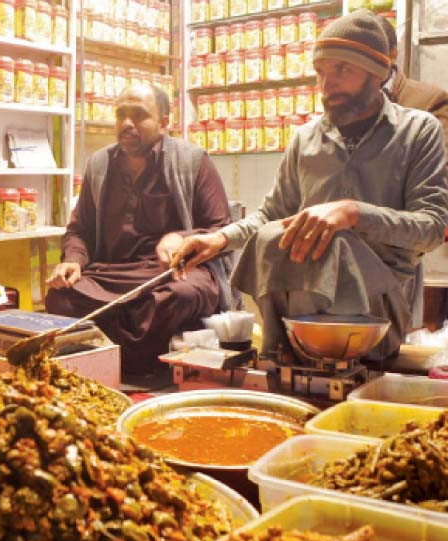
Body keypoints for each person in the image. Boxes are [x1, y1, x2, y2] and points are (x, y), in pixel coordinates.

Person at [169, 9, 448, 362]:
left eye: (342, 70)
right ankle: (283, 355)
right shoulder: (306, 138)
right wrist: (218, 240)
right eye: (321, 72)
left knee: (335, 243)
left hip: (379, 307)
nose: (327, 83)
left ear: (376, 73)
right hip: (301, 312)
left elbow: (432, 228)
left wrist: (352, 213)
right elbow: (271, 214)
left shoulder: (418, 131)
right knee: (272, 235)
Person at [45, 83, 236, 374]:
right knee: (61, 296)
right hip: (113, 274)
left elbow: (220, 228)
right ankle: (124, 360)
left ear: (163, 122)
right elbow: (78, 229)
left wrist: (181, 237)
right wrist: (72, 260)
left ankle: (127, 364)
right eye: (121, 115)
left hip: (173, 272)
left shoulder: (192, 160)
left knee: (181, 296)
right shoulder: (99, 165)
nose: (126, 124)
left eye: (138, 116)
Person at [377, 15, 448, 155]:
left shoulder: (432, 101)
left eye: (372, 56)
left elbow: (440, 169)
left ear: (392, 55)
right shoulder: (346, 99)